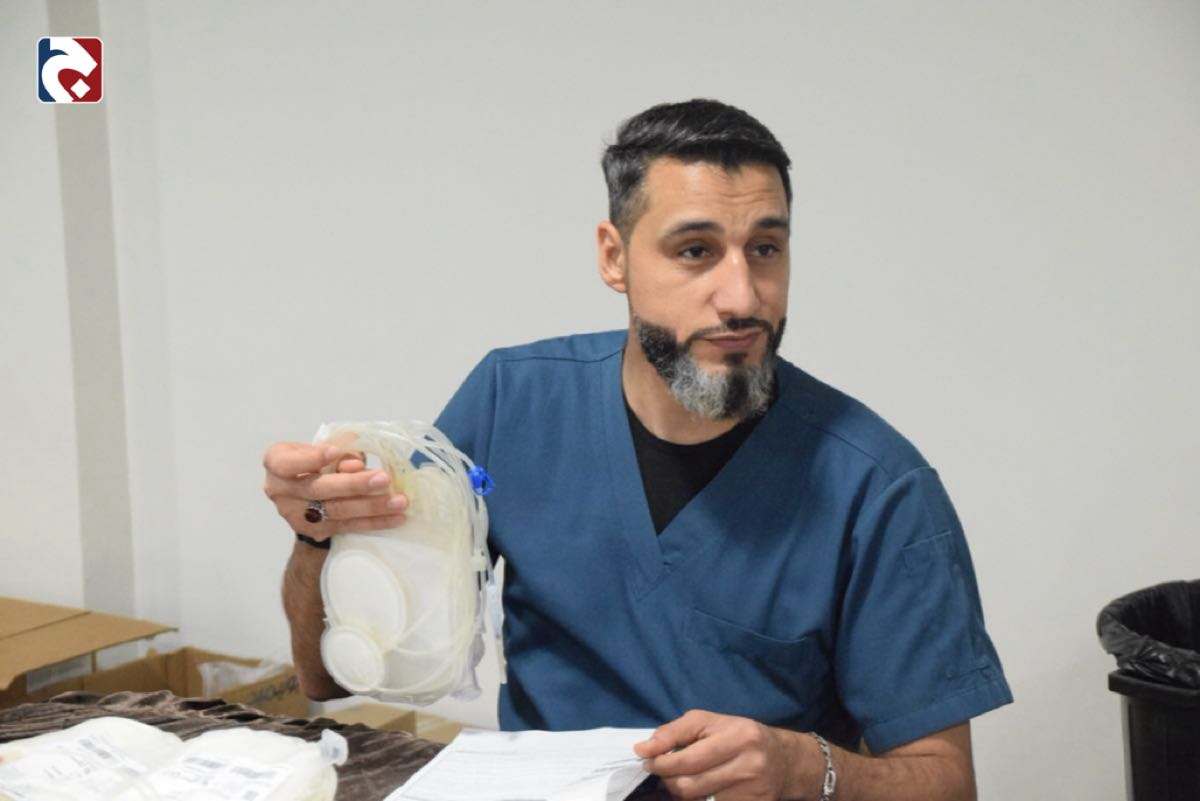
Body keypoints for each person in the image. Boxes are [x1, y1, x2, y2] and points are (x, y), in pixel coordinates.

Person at [263, 99, 1011, 801]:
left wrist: (802, 767)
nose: (742, 296)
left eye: (765, 249)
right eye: (695, 251)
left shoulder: (877, 487)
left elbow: (948, 782)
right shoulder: (511, 400)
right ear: (614, 257)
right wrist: (319, 534)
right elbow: (331, 676)